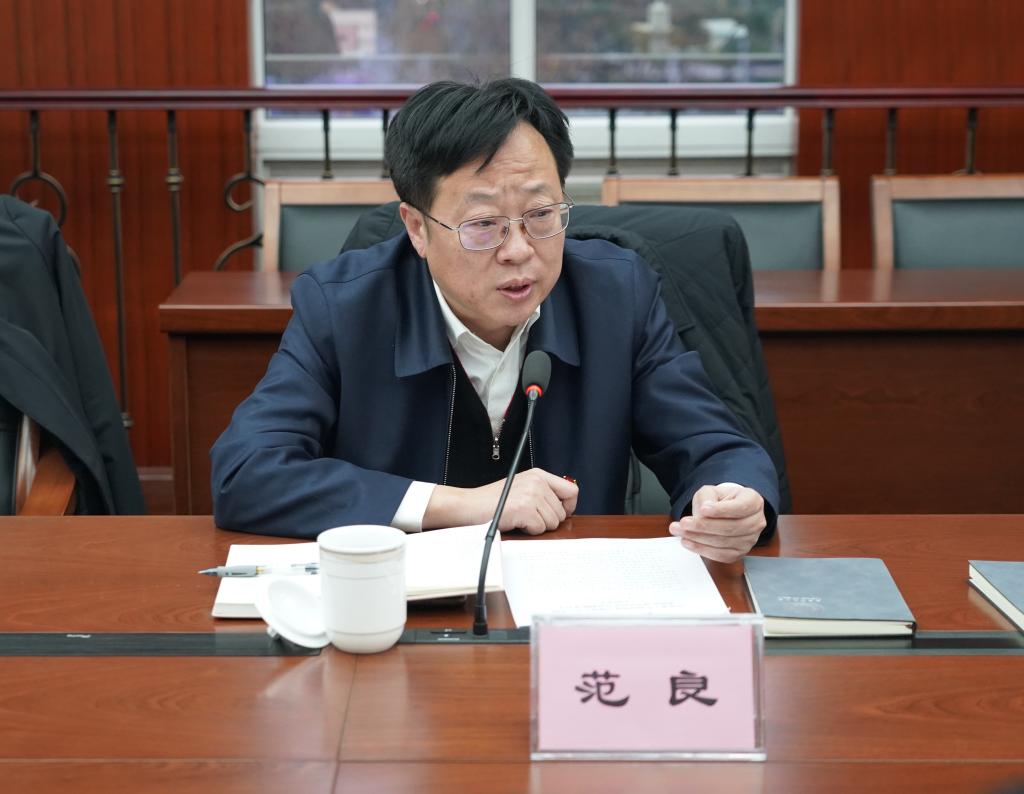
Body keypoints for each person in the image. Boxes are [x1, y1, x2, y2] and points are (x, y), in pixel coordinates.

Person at [211, 78, 779, 563]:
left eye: (541, 214)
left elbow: (713, 445)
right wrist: (466, 505)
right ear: (416, 228)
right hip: (404, 610)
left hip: (574, 599)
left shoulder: (616, 295)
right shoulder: (344, 307)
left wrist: (735, 499)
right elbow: (247, 472)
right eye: (484, 224)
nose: (519, 250)